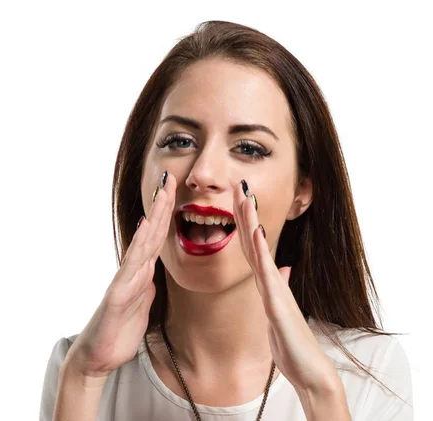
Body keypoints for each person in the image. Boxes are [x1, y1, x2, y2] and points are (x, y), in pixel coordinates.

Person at [39, 20, 413, 421]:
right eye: (179, 141)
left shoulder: (369, 371)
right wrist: (84, 377)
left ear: (301, 191)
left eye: (249, 148)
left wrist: (319, 392)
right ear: (141, 172)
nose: (203, 173)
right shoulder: (78, 368)